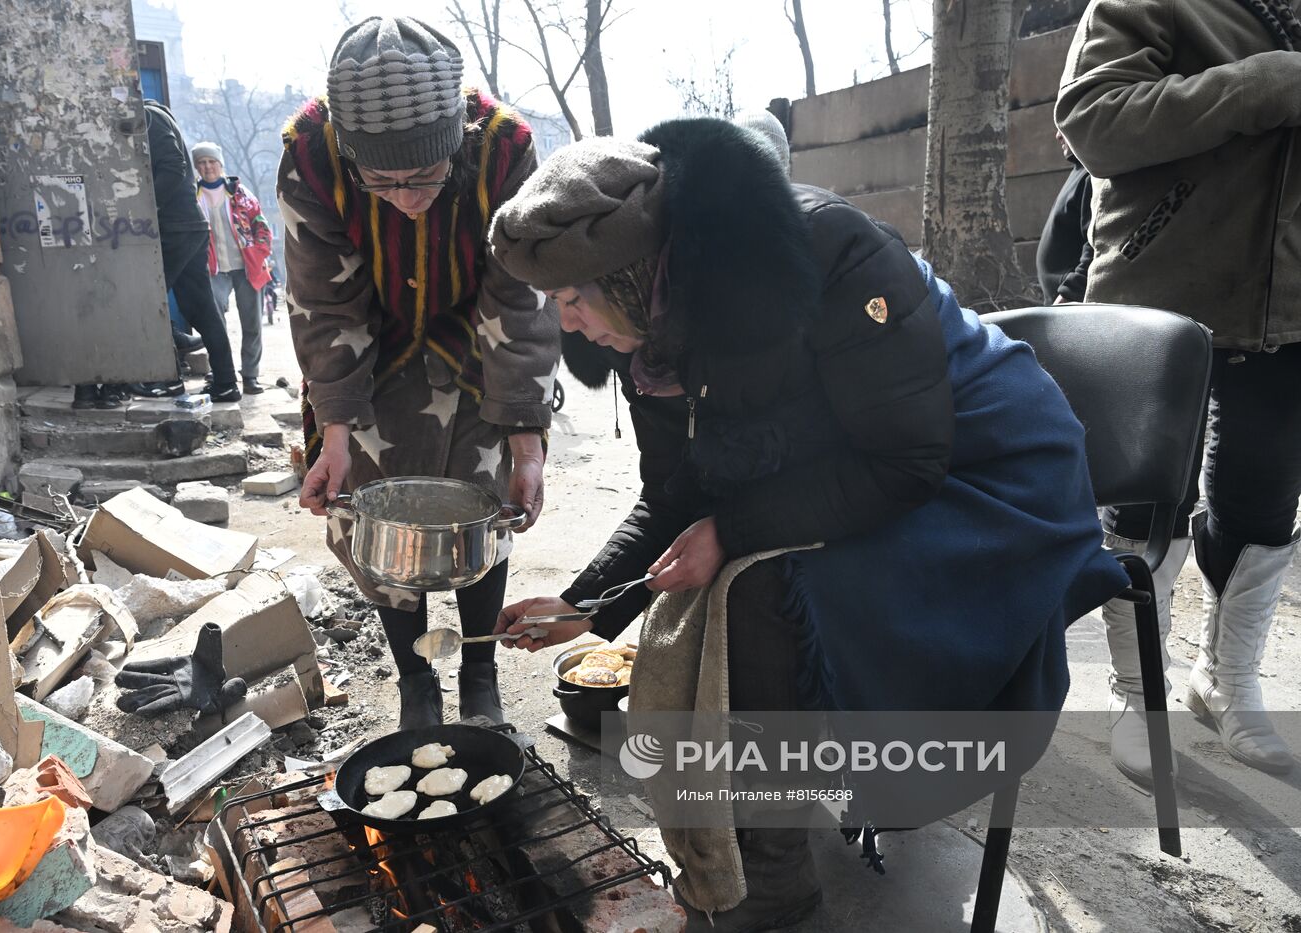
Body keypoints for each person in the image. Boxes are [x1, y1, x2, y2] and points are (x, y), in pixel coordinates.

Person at [487, 120, 1128, 931]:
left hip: (989, 478)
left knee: (756, 587)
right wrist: (589, 603)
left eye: (572, 299)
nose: (565, 322)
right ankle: (763, 818)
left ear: (632, 272)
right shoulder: (646, 328)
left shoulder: (829, 252)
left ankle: (770, 880)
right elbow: (677, 489)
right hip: (861, 462)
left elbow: (906, 462)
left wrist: (733, 531)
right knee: (732, 575)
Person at [281, 16, 559, 729]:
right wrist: (334, 433)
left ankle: (479, 670)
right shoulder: (311, 156)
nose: (407, 198)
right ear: (351, 158)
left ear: (456, 144)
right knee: (373, 504)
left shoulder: (504, 150)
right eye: (383, 181)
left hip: (477, 335)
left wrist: (526, 441)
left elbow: (520, 298)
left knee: (485, 491)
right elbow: (324, 300)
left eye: (426, 176)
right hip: (371, 343)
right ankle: (415, 679)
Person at [1057, 0, 1301, 781]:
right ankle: (1141, 696)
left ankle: (1226, 683)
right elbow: (1093, 120)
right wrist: (1266, 83)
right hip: (1158, 296)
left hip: (1288, 306)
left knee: (1263, 499)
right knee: (1142, 506)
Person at [142, 100, 241, 403]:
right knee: (201, 309)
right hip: (187, 227)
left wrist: (144, 204)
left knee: (146, 300)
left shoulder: (149, 116)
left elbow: (174, 167)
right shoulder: (158, 117)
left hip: (176, 227)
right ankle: (225, 383)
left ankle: (168, 378)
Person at [193, 141, 273, 394]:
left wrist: (259, 252)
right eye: (202, 163)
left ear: (220, 164)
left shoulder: (240, 193)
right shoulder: (191, 196)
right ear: (197, 167)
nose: (207, 167)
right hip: (213, 270)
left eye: (211, 162)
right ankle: (221, 372)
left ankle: (250, 375)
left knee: (252, 323)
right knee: (214, 322)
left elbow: (261, 224)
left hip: (246, 267)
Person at [1035, 131, 1092, 304]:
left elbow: (1096, 243)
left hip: (1072, 305)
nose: (1058, 136)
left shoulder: (1093, 175)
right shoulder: (1079, 172)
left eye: (1063, 127)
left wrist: (1071, 292)